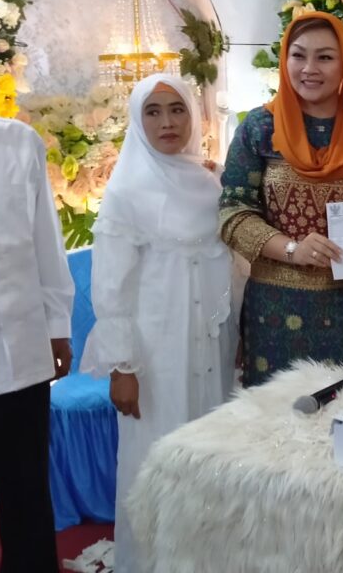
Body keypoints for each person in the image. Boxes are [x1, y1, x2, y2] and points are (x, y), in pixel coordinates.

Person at [81, 73, 234, 573]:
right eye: (153, 111)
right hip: (156, 352)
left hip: (212, 343)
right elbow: (110, 287)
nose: (167, 122)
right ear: (137, 120)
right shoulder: (127, 191)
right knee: (160, 453)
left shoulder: (212, 181)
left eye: (177, 109)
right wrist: (122, 366)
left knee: (214, 449)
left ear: (194, 115)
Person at [220, 12, 343, 386]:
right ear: (284, 60)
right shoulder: (259, 129)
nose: (309, 69)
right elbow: (234, 212)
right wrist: (292, 250)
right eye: (298, 55)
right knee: (275, 415)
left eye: (325, 57)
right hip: (276, 309)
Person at [0, 115, 73, 573]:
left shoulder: (17, 141)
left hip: (17, 350)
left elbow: (46, 241)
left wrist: (58, 325)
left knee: (25, 493)